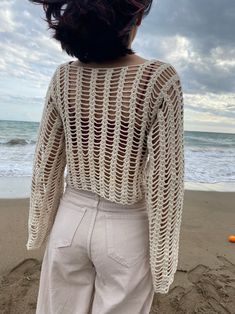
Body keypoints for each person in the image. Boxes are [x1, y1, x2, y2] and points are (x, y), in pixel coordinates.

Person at [26, 0, 185, 313]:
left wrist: (39, 225)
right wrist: (163, 259)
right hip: (127, 231)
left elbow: (47, 161)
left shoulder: (63, 78)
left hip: (69, 223)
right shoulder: (158, 79)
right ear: (134, 19)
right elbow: (166, 179)